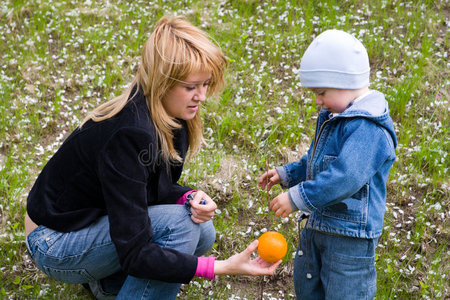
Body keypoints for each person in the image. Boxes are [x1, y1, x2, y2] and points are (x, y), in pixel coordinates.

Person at [25, 15, 280, 300]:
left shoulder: (172, 116)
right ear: (162, 82)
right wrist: (219, 268)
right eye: (191, 86)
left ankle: (109, 284)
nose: (202, 96)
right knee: (181, 227)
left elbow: (148, 189)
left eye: (205, 84)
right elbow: (135, 252)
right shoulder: (128, 135)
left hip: (93, 221)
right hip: (54, 241)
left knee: (201, 228)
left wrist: (188, 196)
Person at [258, 29, 397, 299]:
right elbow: (317, 161)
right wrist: (287, 174)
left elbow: (345, 176)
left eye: (321, 92)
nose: (317, 101)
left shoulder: (368, 128)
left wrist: (298, 197)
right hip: (318, 225)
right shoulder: (336, 114)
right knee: (309, 289)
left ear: (345, 82)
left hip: (350, 240)